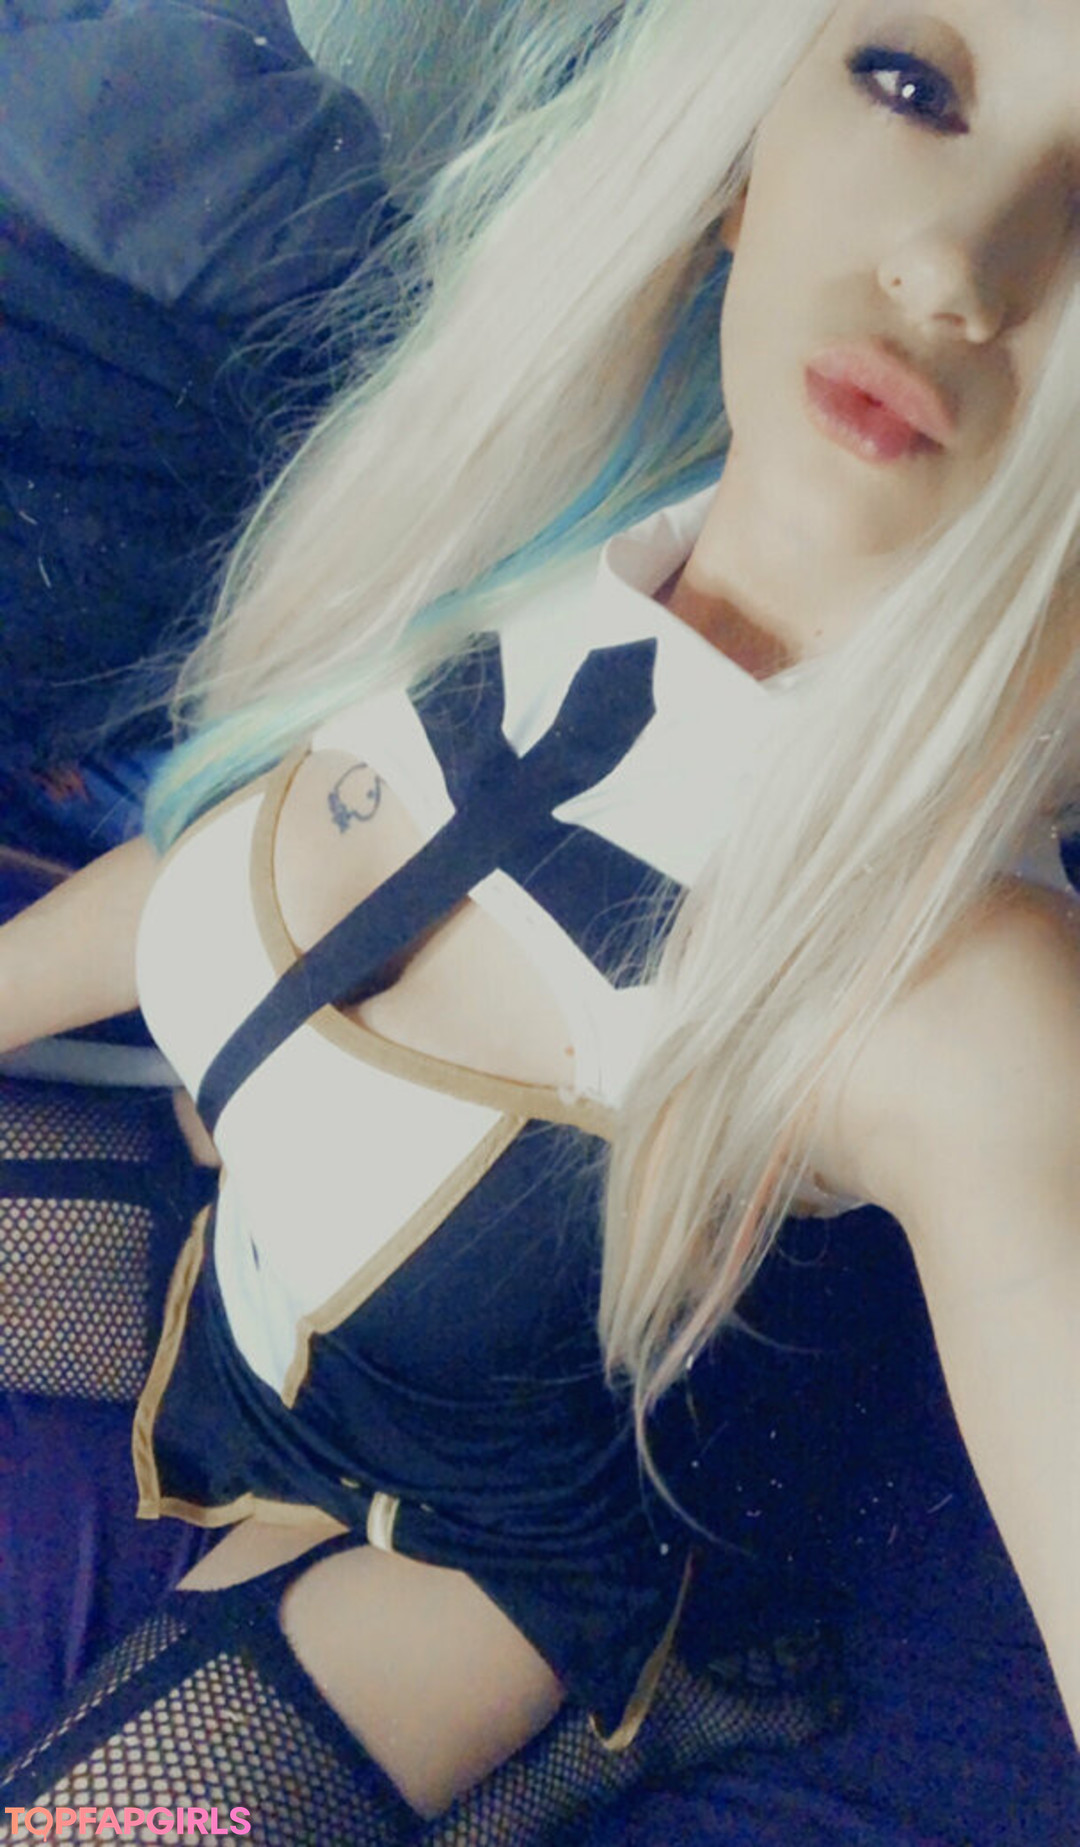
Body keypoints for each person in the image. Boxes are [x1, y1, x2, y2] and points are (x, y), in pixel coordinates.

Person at [1, 0, 1078, 1839]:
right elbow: (227, 856)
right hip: (233, 1303)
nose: (952, 269)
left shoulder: (964, 987)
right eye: (910, 84)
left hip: (483, 1562)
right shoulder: (508, 537)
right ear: (742, 157)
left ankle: (660, 1692)